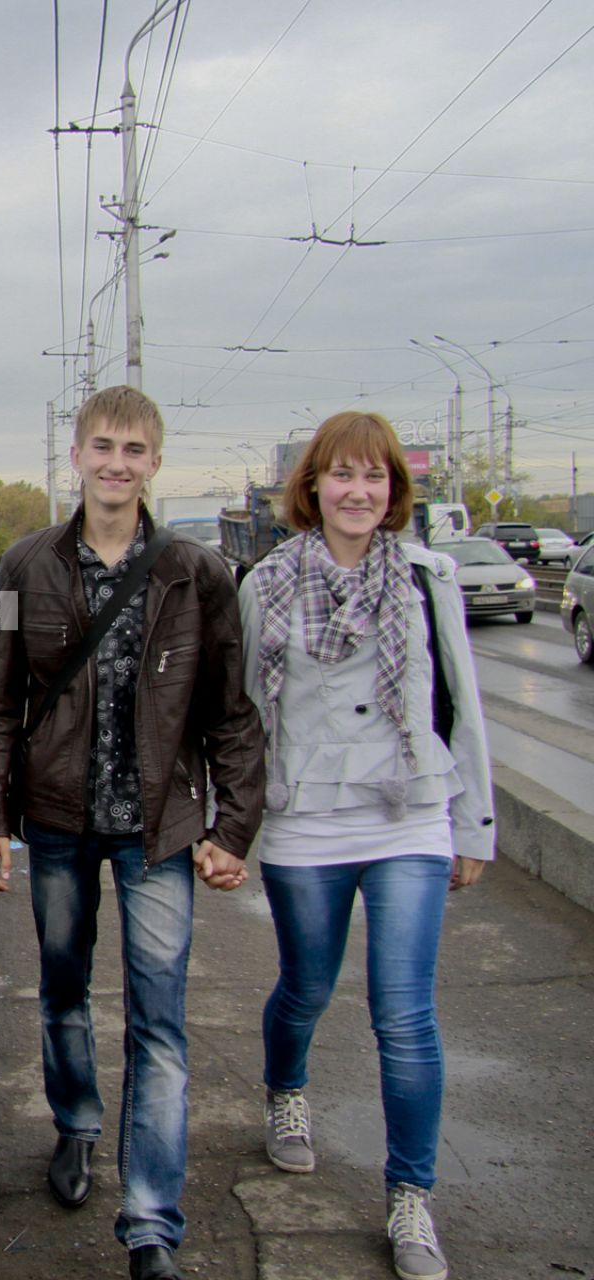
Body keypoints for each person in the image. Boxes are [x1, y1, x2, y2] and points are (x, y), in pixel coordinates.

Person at [0, 385, 266, 1280]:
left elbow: (231, 712)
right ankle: (76, 1124)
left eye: (134, 450)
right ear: (76, 456)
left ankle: (150, 1226)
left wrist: (233, 827)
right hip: (56, 821)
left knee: (161, 1022)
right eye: (103, 446)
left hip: (157, 829)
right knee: (63, 988)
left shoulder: (197, 573)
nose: (116, 463)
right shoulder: (23, 566)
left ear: (155, 463)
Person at [238, 411, 492, 1280]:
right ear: (312, 488)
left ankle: (411, 1196)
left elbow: (460, 702)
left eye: (375, 478)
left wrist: (475, 823)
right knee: (306, 987)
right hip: (308, 816)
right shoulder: (267, 583)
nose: (359, 491)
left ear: (394, 492)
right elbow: (242, 715)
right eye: (343, 476)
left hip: (409, 810)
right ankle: (287, 1094)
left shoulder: (429, 578)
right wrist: (227, 826)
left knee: (405, 1015)